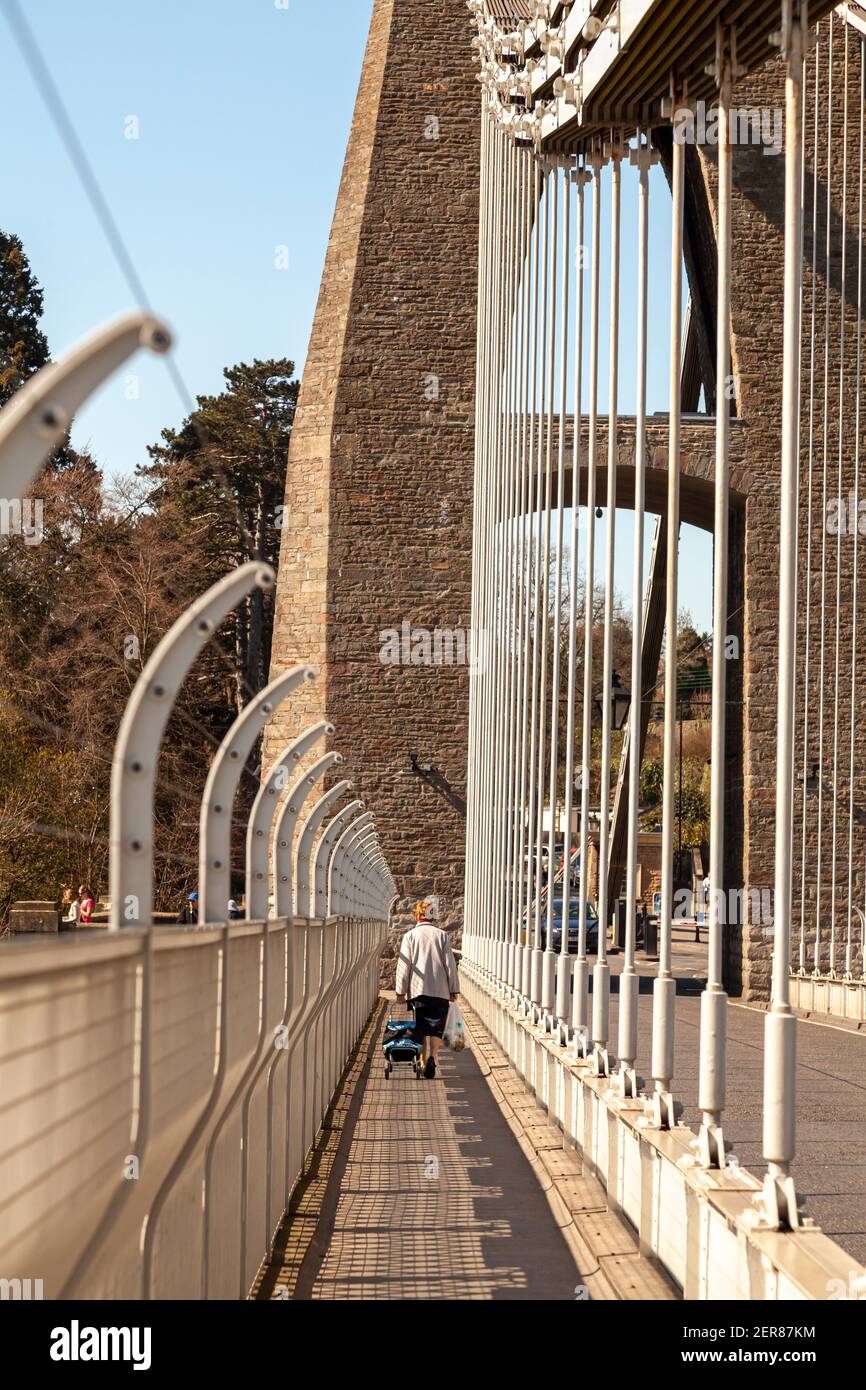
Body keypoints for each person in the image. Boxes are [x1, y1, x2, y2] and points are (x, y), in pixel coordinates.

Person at [395, 899, 459, 1080]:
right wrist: (454, 988)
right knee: (437, 1027)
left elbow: (404, 965)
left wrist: (400, 991)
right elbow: (450, 965)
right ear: (433, 916)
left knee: (421, 1026)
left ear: (417, 915)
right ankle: (433, 1057)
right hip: (440, 990)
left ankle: (423, 1061)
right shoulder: (442, 935)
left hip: (418, 990)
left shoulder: (410, 936)